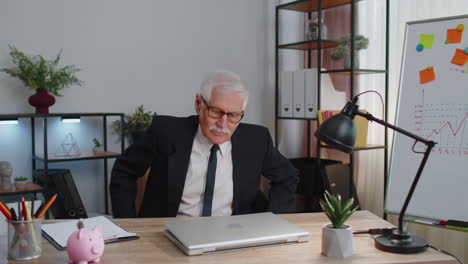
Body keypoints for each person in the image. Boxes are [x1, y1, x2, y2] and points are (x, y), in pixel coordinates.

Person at [110, 70, 298, 218]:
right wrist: (128, 225)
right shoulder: (165, 132)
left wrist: (271, 219)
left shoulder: (257, 140)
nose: (223, 124)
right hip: (168, 233)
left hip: (231, 236)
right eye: (216, 112)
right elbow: (124, 171)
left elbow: (288, 177)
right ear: (199, 104)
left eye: (233, 115)